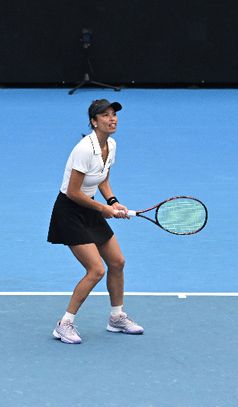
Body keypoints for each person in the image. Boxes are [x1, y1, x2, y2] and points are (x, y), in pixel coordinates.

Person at [47, 99, 143, 344]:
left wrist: (112, 201)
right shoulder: (83, 149)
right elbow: (73, 192)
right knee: (96, 269)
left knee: (117, 262)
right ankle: (64, 324)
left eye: (114, 115)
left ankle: (116, 317)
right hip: (69, 212)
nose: (113, 119)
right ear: (93, 121)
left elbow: (102, 179)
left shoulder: (110, 145)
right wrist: (103, 209)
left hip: (89, 208)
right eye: (105, 116)